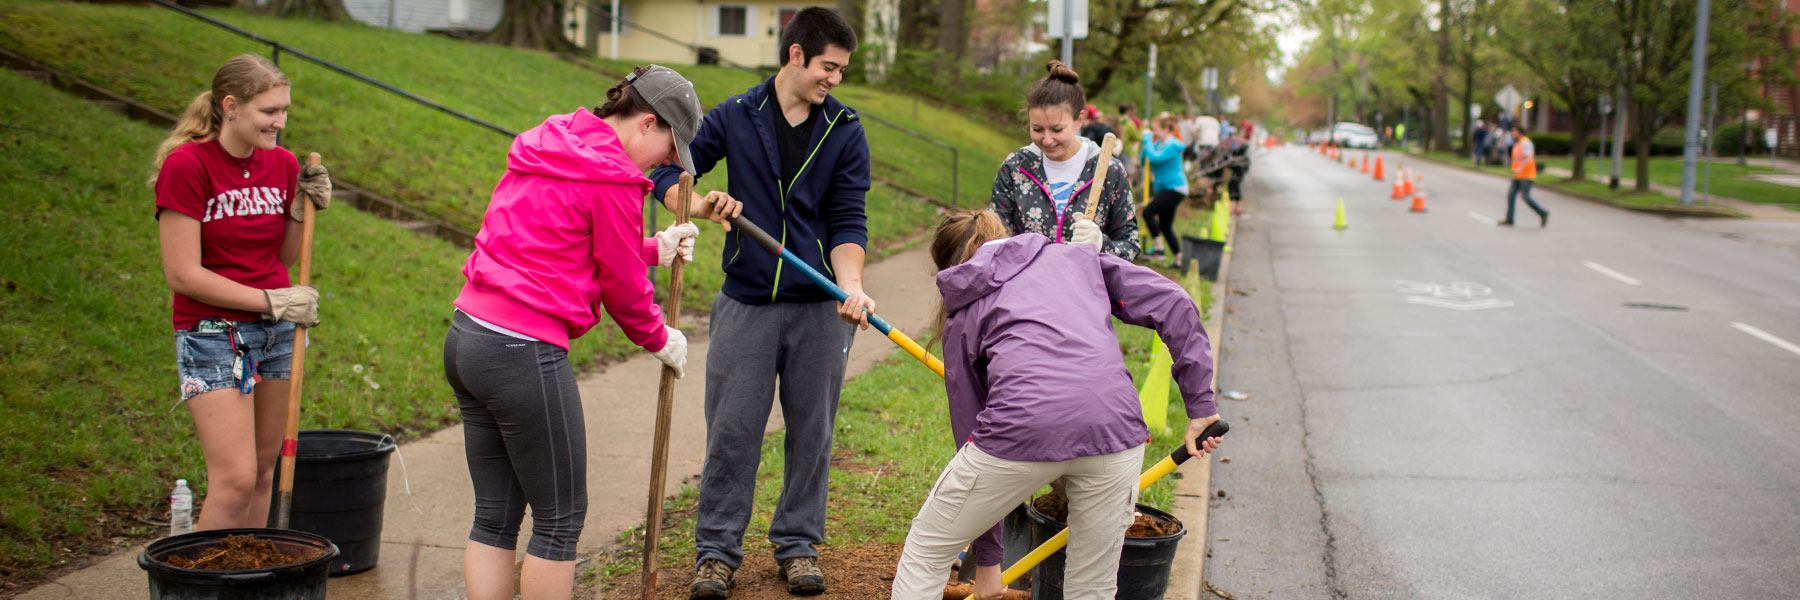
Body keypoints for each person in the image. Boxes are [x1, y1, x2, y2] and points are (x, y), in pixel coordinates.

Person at [445, 65, 703, 600]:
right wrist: (659, 338)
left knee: (495, 515)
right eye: (670, 151)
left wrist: (655, 247)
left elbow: (563, 237)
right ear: (647, 124)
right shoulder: (612, 176)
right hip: (522, 350)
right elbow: (622, 285)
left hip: (469, 336)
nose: (667, 165)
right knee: (560, 520)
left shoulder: (556, 140)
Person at [646, 8, 870, 598]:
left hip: (819, 306)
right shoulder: (737, 116)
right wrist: (698, 204)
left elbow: (849, 222)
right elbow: (668, 173)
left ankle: (798, 544)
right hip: (746, 301)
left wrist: (850, 286)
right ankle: (716, 552)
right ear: (796, 55)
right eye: (829, 66)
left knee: (812, 431)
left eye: (842, 70)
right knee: (733, 430)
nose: (835, 80)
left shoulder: (844, 128)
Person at [888, 210, 1224, 600]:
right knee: (1092, 586)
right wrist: (1200, 407)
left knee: (928, 547)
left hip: (1022, 432)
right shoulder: (1075, 257)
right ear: (1005, 237)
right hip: (1115, 432)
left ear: (948, 265)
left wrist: (989, 564)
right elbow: (1175, 303)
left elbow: (970, 429)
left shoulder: (965, 305)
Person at [155, 54, 331, 532]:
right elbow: (183, 274)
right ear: (231, 107)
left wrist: (299, 210)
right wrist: (272, 301)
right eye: (269, 112)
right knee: (233, 479)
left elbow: (283, 259)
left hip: (275, 334)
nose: (280, 122)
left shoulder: (283, 163)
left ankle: (245, 581)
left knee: (261, 474)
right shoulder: (187, 166)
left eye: (285, 110)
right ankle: (206, 584)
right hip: (212, 334)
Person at [988, 60, 1139, 261]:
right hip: (1026, 290)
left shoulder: (1109, 171)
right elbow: (993, 239)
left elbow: (1130, 245)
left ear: (1080, 119)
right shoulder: (1015, 167)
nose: (1047, 140)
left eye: (1057, 130)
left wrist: (1101, 244)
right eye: (1037, 129)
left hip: (1087, 290)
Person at [1140, 113, 1188, 265]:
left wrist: (1147, 140)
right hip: (1165, 188)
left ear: (1166, 129)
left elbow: (1155, 159)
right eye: (1152, 130)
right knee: (1165, 225)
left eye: (1156, 130)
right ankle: (1179, 258)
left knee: (1148, 212)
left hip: (1175, 188)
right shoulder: (1158, 145)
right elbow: (1144, 160)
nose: (1154, 133)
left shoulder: (1173, 145)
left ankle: (1158, 249)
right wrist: (1146, 144)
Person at [1501, 124, 1549, 227]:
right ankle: (1509, 219)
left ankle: (1543, 212)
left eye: (1514, 132)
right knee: (1511, 196)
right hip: (1517, 176)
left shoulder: (1526, 142)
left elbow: (1528, 158)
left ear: (1520, 132)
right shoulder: (1517, 144)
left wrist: (1520, 168)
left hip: (1526, 175)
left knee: (1526, 197)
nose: (1512, 134)